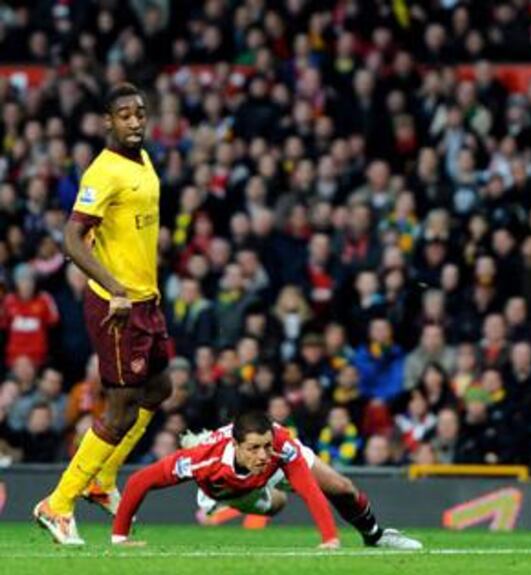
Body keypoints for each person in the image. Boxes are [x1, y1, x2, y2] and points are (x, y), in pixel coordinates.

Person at [35, 83, 173, 545]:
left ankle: (102, 479)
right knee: (118, 410)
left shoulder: (144, 160)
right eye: (124, 115)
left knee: (159, 387)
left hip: (145, 299)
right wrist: (115, 287)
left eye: (140, 113)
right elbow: (73, 240)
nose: (135, 121)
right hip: (117, 306)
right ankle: (58, 503)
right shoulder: (103, 172)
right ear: (106, 123)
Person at [111, 412, 421, 549]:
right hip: (229, 488)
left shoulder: (280, 447)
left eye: (266, 445)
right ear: (236, 446)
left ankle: (376, 536)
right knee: (277, 506)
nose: (262, 454)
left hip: (277, 469)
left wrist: (330, 539)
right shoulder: (201, 461)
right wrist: (120, 537)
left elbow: (310, 491)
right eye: (254, 448)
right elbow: (140, 480)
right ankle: (234, 496)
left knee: (343, 488)